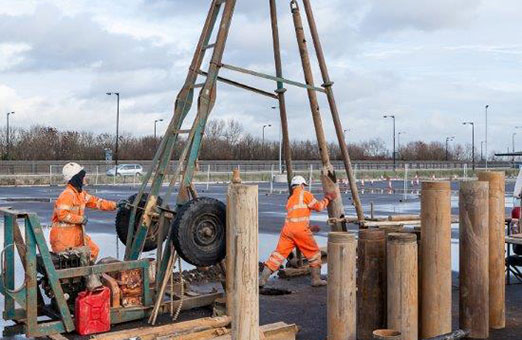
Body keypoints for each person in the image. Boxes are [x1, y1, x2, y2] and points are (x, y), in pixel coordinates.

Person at [259, 175, 337, 287]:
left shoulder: (290, 199)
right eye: (304, 186)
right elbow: (319, 207)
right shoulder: (305, 195)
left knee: (278, 255)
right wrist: (328, 198)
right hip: (300, 230)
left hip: (287, 231)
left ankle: (262, 280)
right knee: (314, 254)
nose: (304, 187)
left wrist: (310, 228)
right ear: (301, 185)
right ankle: (316, 280)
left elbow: (296, 218)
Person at [50, 162, 123, 261]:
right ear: (77, 178)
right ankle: (82, 275)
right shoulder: (67, 195)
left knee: (93, 250)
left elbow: (97, 202)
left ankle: (85, 275)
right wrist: (80, 219)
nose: (84, 179)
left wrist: (115, 205)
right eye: (82, 177)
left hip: (75, 236)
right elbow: (62, 215)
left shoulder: (80, 194)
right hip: (64, 240)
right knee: (73, 263)